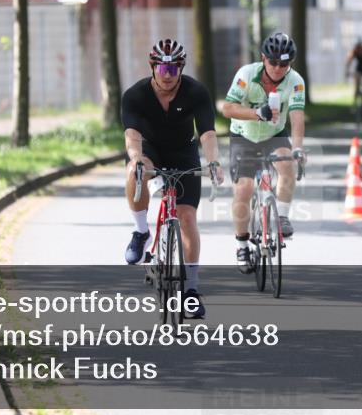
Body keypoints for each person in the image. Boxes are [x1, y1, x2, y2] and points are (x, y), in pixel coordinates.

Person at [121, 38, 224, 319]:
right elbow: (132, 136)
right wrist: (136, 157)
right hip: (149, 149)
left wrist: (213, 161)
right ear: (153, 67)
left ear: (181, 69)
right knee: (136, 170)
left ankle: (190, 290)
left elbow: (208, 133)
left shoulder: (196, 92)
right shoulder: (135, 95)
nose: (168, 76)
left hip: (183, 152)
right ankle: (141, 232)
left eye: (174, 70)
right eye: (162, 69)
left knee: (187, 217)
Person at [222, 32, 306, 273]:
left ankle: (282, 216)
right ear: (263, 58)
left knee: (288, 163)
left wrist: (298, 148)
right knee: (245, 189)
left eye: (285, 64)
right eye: (273, 62)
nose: (279, 68)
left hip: (274, 135)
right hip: (244, 135)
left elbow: (297, 116)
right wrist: (256, 113)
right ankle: (241, 244)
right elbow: (227, 108)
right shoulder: (247, 75)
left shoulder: (296, 81)